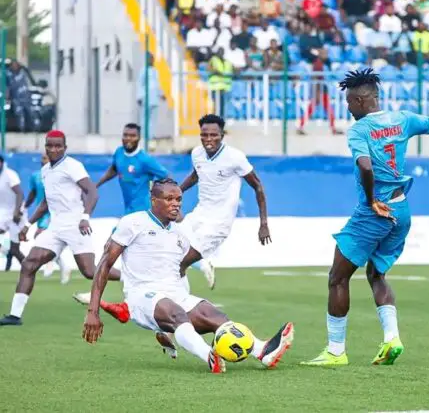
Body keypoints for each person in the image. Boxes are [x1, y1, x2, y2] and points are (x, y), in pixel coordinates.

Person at [301, 69, 429, 366]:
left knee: (337, 278)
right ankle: (391, 338)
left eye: (348, 101)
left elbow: (366, 166)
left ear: (360, 100)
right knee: (376, 274)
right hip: (401, 208)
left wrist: (371, 201)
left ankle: (335, 351)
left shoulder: (359, 130)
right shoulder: (402, 118)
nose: (347, 107)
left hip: (376, 211)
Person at [77, 114, 271, 335]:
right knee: (169, 260)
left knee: (179, 263)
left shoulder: (235, 157)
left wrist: (263, 223)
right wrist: (176, 193)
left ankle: (171, 316)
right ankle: (166, 313)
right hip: (197, 215)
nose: (208, 139)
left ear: (222, 135)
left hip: (218, 224)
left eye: (213, 135)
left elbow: (258, 186)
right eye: (204, 135)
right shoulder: (197, 154)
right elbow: (196, 176)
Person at [82, 179, 293, 373]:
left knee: (214, 315)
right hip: (141, 296)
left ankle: (262, 351)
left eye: (179, 199)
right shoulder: (132, 223)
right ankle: (209, 356)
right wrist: (93, 311)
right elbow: (104, 265)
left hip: (174, 293)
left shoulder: (181, 233)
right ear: (154, 200)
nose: (176, 204)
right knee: (176, 313)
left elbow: (180, 269)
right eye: (169, 199)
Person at [0, 130, 122, 326]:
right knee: (29, 264)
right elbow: (46, 202)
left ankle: (128, 277)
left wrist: (85, 217)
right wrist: (28, 224)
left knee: (89, 271)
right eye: (50, 146)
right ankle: (15, 315)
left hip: (76, 225)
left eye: (58, 146)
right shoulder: (45, 171)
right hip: (55, 227)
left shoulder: (73, 166)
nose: (54, 149)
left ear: (65, 147)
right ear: (45, 147)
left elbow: (92, 191)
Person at [24, 154, 71, 283]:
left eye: (46, 158)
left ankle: (50, 263)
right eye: (42, 158)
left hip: (54, 211)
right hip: (41, 211)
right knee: (42, 238)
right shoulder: (35, 176)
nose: (43, 160)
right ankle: (63, 266)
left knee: (40, 235)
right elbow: (33, 193)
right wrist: (25, 206)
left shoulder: (59, 174)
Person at [0, 154, 25, 272]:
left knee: (15, 250)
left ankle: (29, 268)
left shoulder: (10, 174)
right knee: (12, 250)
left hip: (16, 214)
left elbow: (20, 193)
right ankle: (6, 251)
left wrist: (17, 211)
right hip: (3, 213)